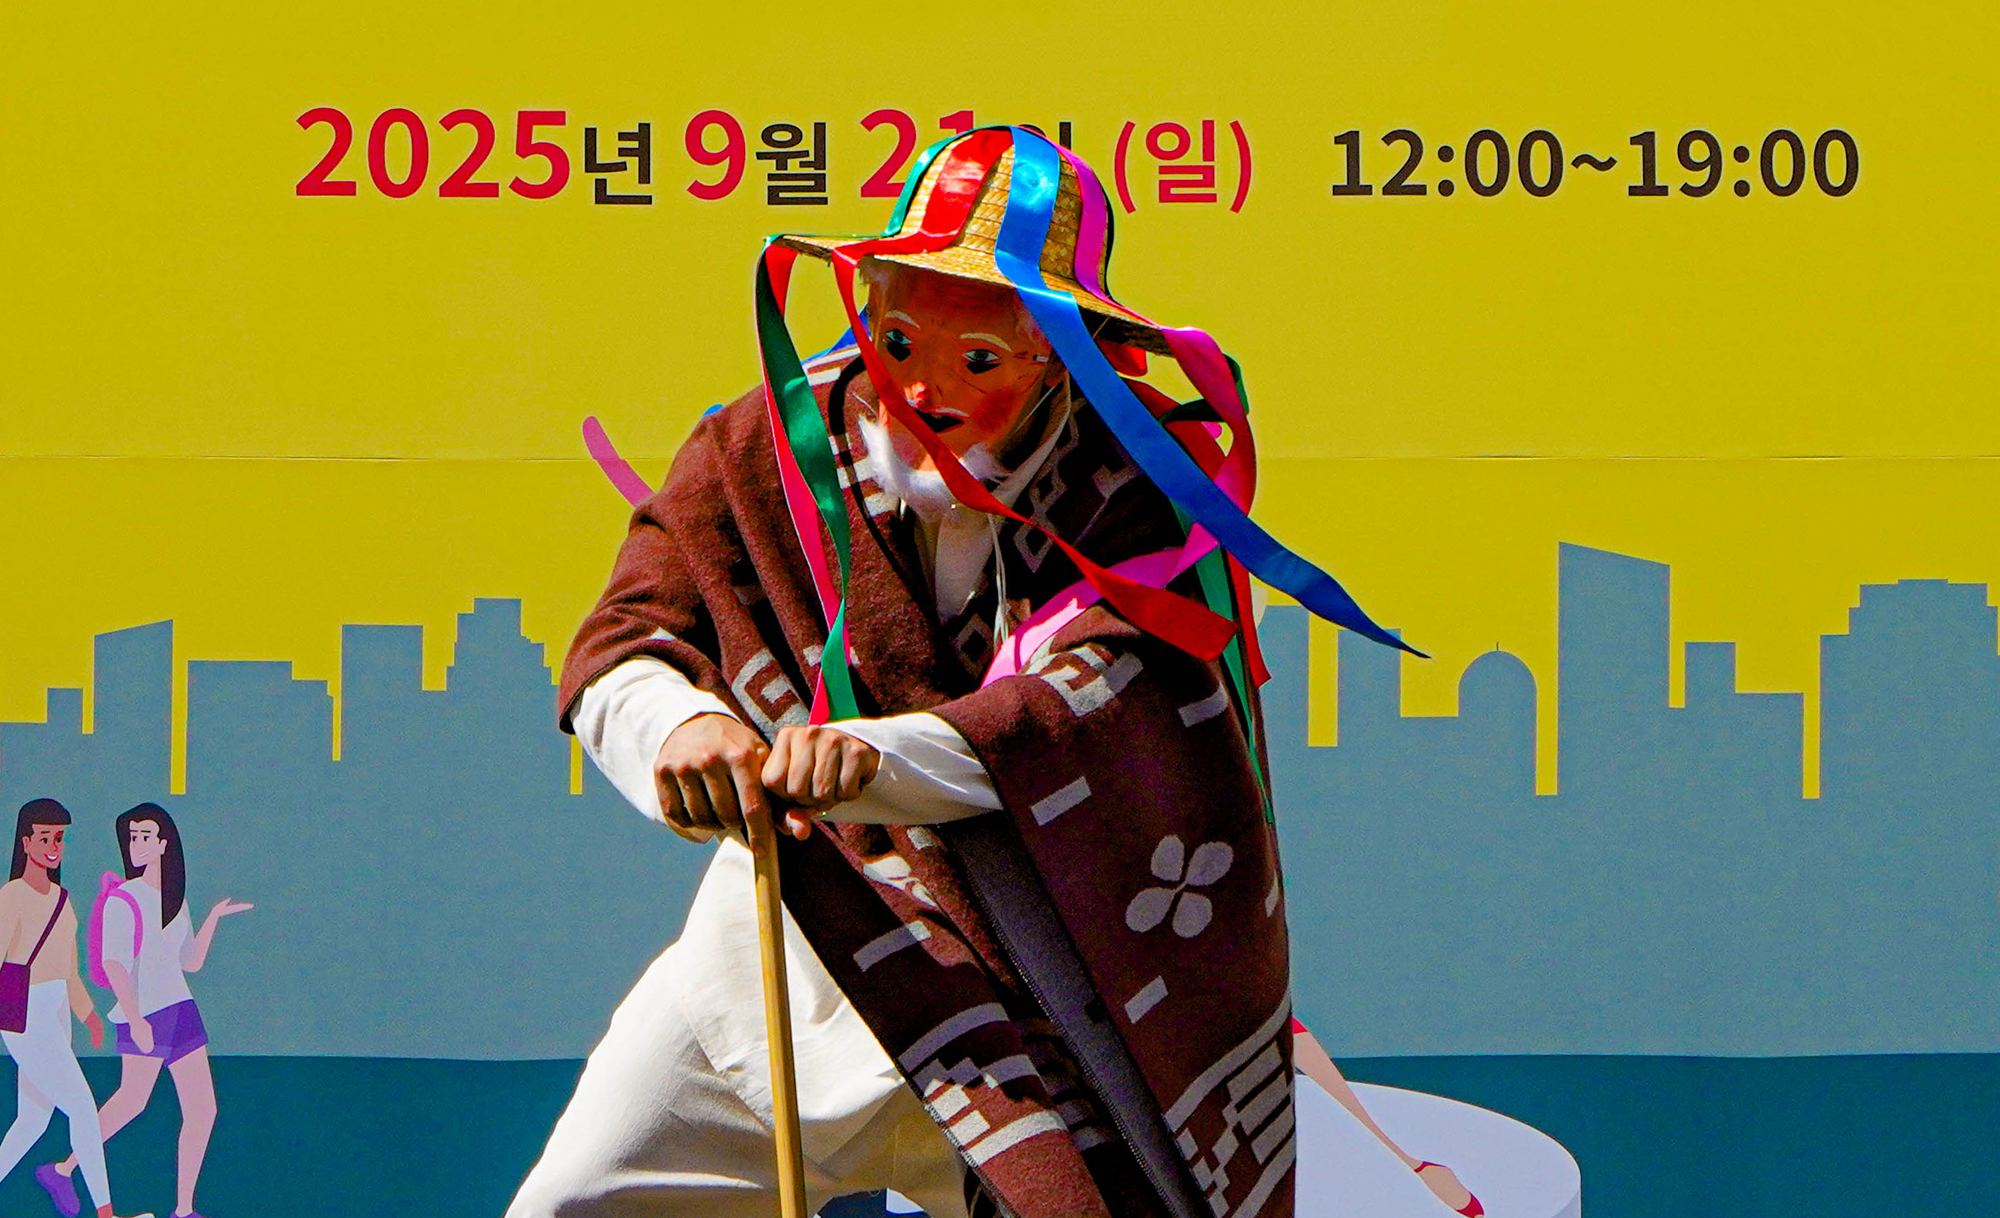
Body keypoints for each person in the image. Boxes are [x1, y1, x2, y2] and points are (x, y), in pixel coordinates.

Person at [511, 126, 1413, 1218]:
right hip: (785, 959)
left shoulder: (1140, 488)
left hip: (1036, 1000)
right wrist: (677, 727)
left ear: (1060, 350)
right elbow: (626, 632)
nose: (924, 388)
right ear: (863, 304)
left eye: (978, 359)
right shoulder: (759, 448)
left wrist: (874, 759)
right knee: (573, 1202)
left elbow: (1097, 707)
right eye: (897, 340)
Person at [47, 804, 250, 1218]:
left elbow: (190, 961)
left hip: (182, 1010)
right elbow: (113, 964)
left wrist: (213, 917)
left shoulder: (175, 900)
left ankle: (183, 1209)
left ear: (163, 844)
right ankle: (63, 1169)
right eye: (132, 836)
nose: (136, 843)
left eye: (144, 835)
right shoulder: (124, 899)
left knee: (203, 1110)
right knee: (131, 1101)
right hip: (147, 1014)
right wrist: (136, 1018)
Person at [0, 798, 148, 1218]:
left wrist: (88, 1015)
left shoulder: (63, 901)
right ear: (26, 843)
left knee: (33, 1121)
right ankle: (106, 1214)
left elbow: (69, 970)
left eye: (59, 838)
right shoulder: (11, 897)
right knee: (82, 1107)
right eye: (45, 837)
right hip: (24, 1013)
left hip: (57, 1011)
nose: (53, 846)